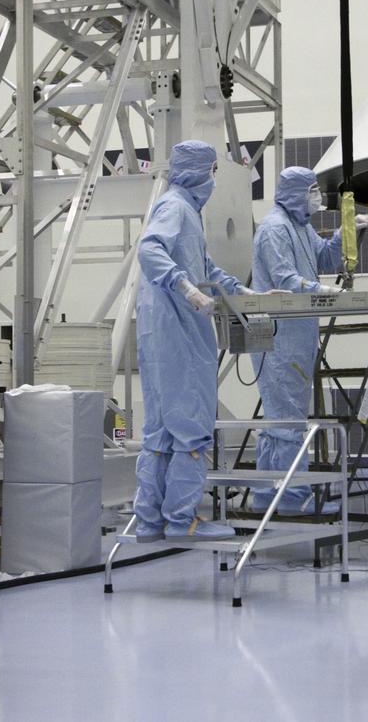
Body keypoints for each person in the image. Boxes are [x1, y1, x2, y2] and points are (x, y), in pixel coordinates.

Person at [133, 140, 249, 541]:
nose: (215, 179)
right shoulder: (177, 207)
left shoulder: (186, 212)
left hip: (162, 333)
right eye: (214, 169)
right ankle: (182, 521)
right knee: (190, 429)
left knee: (161, 432)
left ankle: (150, 522)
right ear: (202, 171)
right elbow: (150, 250)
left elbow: (204, 266)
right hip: (179, 332)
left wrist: (241, 293)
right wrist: (188, 291)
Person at [249, 167, 368, 515]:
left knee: (282, 417)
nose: (316, 196)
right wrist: (322, 291)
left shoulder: (300, 226)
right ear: (293, 192)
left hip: (296, 334)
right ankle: (290, 501)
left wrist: (346, 231)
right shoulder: (275, 228)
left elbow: (323, 257)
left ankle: (267, 495)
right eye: (311, 190)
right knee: (287, 418)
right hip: (277, 337)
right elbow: (285, 280)